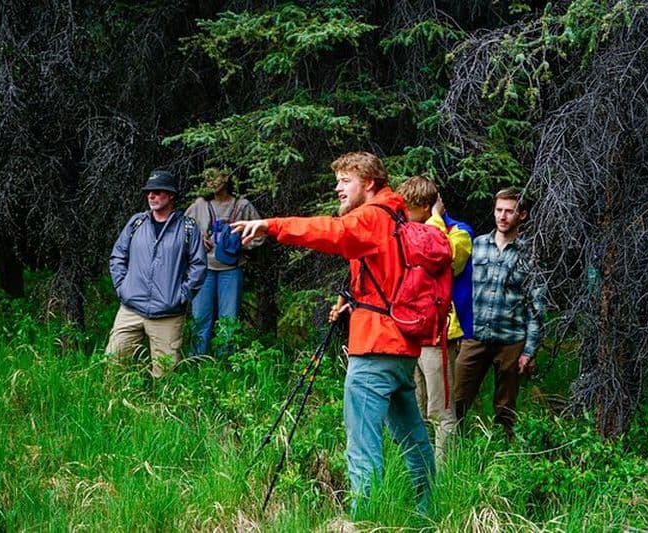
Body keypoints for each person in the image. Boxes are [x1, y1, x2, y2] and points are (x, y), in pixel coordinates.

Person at [232, 152, 435, 515]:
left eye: (345, 180)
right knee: (412, 437)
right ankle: (428, 509)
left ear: (368, 183)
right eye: (338, 180)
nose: (337, 188)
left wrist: (272, 226)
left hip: (374, 348)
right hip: (401, 347)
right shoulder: (397, 215)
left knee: (362, 443)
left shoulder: (373, 216)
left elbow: (332, 232)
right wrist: (353, 300)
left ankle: (365, 517)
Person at [453, 187, 545, 438]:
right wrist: (458, 329)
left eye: (509, 211)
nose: (502, 216)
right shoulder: (477, 245)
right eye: (498, 210)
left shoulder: (530, 253)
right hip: (475, 335)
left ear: (522, 215)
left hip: (511, 339)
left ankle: (505, 451)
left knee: (506, 406)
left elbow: (536, 305)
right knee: (458, 398)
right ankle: (453, 449)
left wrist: (529, 350)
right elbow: (460, 291)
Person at [395, 176, 473, 463]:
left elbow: (443, 258)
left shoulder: (458, 233)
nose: (405, 214)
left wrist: (436, 220)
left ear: (427, 207)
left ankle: (443, 477)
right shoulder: (407, 230)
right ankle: (418, 468)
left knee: (441, 410)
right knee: (416, 407)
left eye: (411, 209)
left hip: (440, 332)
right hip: (410, 331)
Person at [106, 169, 207, 378]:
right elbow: (117, 256)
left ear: (171, 195)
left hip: (167, 313)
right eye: (149, 192)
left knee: (166, 375)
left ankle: (160, 410)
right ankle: (114, 408)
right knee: (114, 365)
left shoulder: (187, 228)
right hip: (130, 308)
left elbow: (198, 266)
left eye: (158, 191)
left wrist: (181, 296)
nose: (151, 196)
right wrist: (122, 288)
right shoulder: (137, 223)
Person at [185, 168, 263, 357]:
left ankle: (226, 364)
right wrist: (196, 240)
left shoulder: (242, 206)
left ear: (226, 177)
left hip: (231, 269)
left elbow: (260, 233)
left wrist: (240, 245)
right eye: (206, 177)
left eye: (215, 175)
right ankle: (195, 361)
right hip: (204, 269)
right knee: (200, 318)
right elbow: (182, 230)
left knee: (229, 320)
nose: (210, 181)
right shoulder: (199, 206)